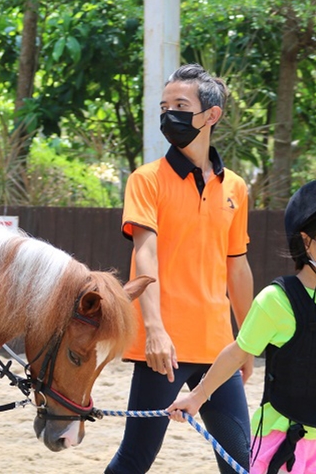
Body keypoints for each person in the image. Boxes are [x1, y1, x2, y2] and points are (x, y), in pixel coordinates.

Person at [105, 64, 254, 473]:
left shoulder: (236, 188)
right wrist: (153, 329)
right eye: (164, 105)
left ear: (211, 115)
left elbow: (237, 268)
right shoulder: (146, 179)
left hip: (218, 346)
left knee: (240, 461)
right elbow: (145, 255)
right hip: (163, 347)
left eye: (180, 105)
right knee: (135, 459)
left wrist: (249, 340)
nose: (168, 113)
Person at [169, 178, 316, 474]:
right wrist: (197, 396)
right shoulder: (276, 300)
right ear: (306, 241)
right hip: (277, 439)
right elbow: (236, 353)